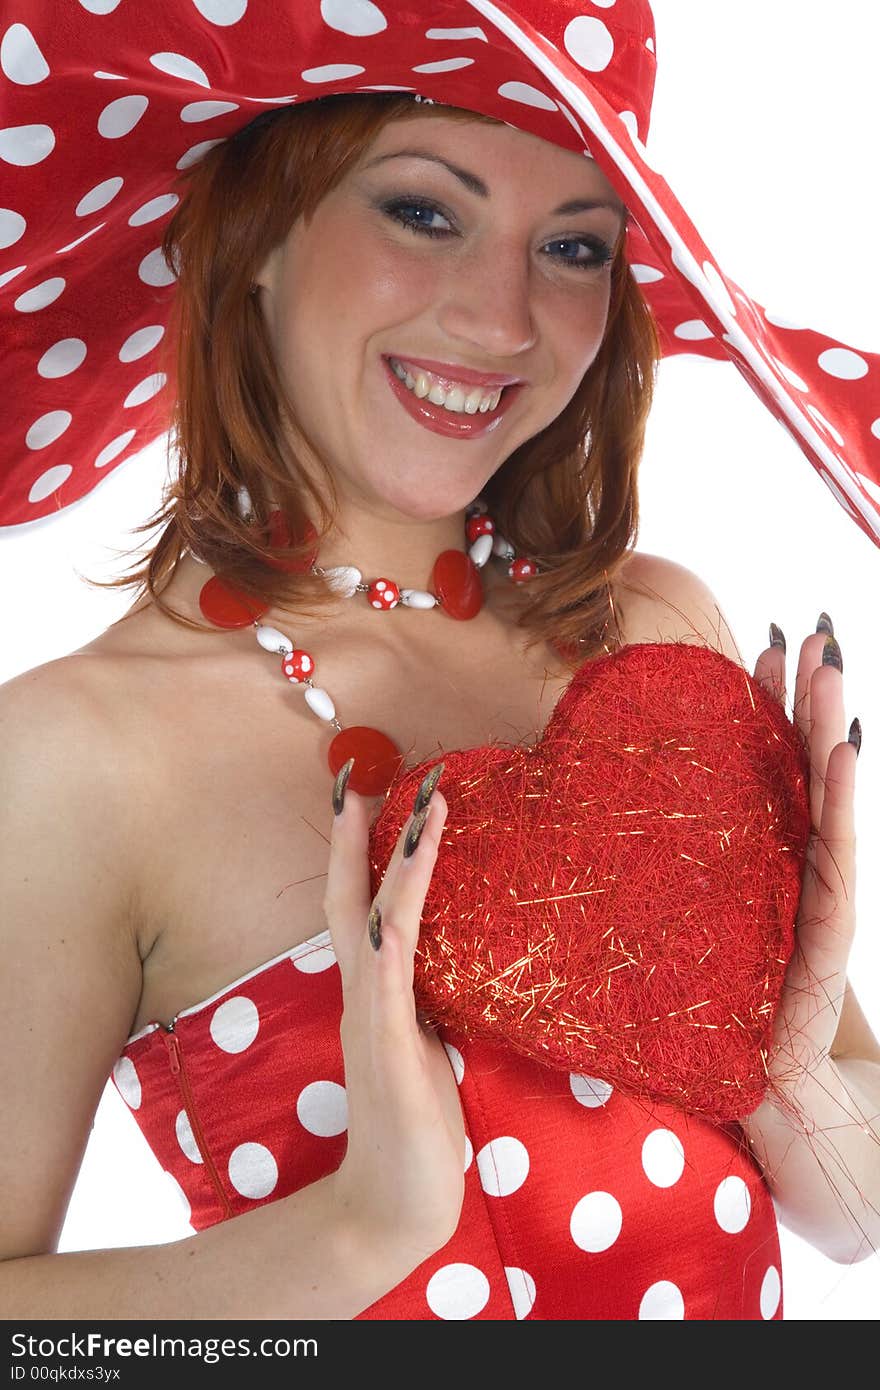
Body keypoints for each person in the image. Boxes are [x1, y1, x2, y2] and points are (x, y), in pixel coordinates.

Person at [1, 0, 878, 1321]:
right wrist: (362, 1235)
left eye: (574, 244)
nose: (502, 317)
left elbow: (855, 1213)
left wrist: (794, 1067)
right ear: (252, 234)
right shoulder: (78, 758)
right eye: (424, 211)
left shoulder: (656, 643)